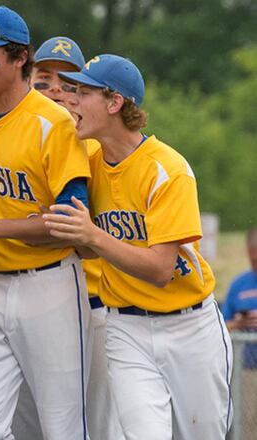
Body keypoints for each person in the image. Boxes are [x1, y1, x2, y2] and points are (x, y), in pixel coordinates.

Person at [47, 54, 232, 439]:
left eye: (82, 92)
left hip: (189, 325)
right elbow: (85, 247)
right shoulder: (90, 164)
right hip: (125, 327)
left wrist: (92, 236)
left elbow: (161, 269)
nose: (71, 100)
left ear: (115, 103)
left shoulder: (167, 168)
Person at [0, 6, 92, 439]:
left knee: (62, 428)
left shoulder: (55, 122)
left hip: (49, 286)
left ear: (20, 59)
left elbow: (69, 220)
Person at [11, 36, 125, 440]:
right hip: (33, 301)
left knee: (94, 425)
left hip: (101, 305)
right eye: (44, 80)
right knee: (27, 425)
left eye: (70, 83)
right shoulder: (25, 139)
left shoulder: (101, 148)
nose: (56, 90)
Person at [222, 228, 257, 435]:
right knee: (249, 425)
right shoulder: (239, 284)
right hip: (249, 370)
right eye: (253, 260)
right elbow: (221, 325)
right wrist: (238, 323)